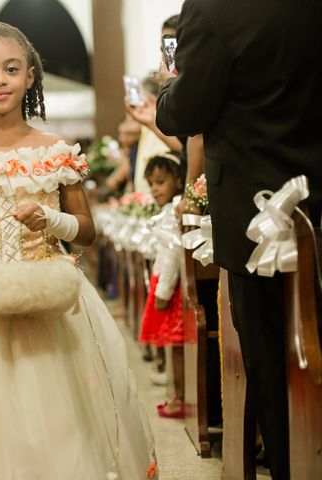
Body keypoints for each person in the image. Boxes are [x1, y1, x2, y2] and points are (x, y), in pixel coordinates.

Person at [0, 16, 157, 479]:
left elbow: (87, 230)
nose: (0, 80)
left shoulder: (56, 150)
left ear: (30, 75)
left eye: (12, 69)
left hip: (46, 297)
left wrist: (51, 219)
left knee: (54, 416)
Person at [155, 1, 322, 478]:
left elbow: (186, 111)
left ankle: (290, 463)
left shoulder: (213, 9)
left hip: (257, 211)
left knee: (270, 354)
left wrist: (169, 86)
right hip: (315, 198)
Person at [138, 154, 185, 417]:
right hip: (164, 282)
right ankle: (176, 394)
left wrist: (163, 292)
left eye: (161, 182)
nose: (155, 189)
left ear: (178, 182)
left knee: (176, 343)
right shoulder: (168, 211)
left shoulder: (173, 213)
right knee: (171, 344)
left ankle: (179, 397)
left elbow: (173, 254)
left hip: (171, 287)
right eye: (151, 183)